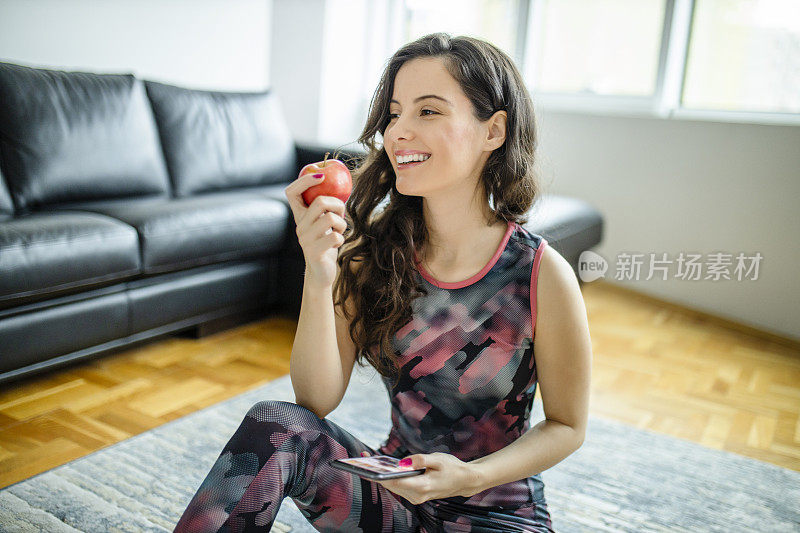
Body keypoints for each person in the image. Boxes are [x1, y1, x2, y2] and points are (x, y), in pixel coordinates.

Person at [174, 32, 592, 533]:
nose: (398, 132)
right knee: (277, 423)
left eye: (428, 112)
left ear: (493, 131)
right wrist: (319, 270)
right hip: (393, 497)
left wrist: (467, 476)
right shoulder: (372, 253)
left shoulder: (542, 274)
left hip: (497, 513)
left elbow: (567, 426)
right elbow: (316, 400)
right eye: (394, 114)